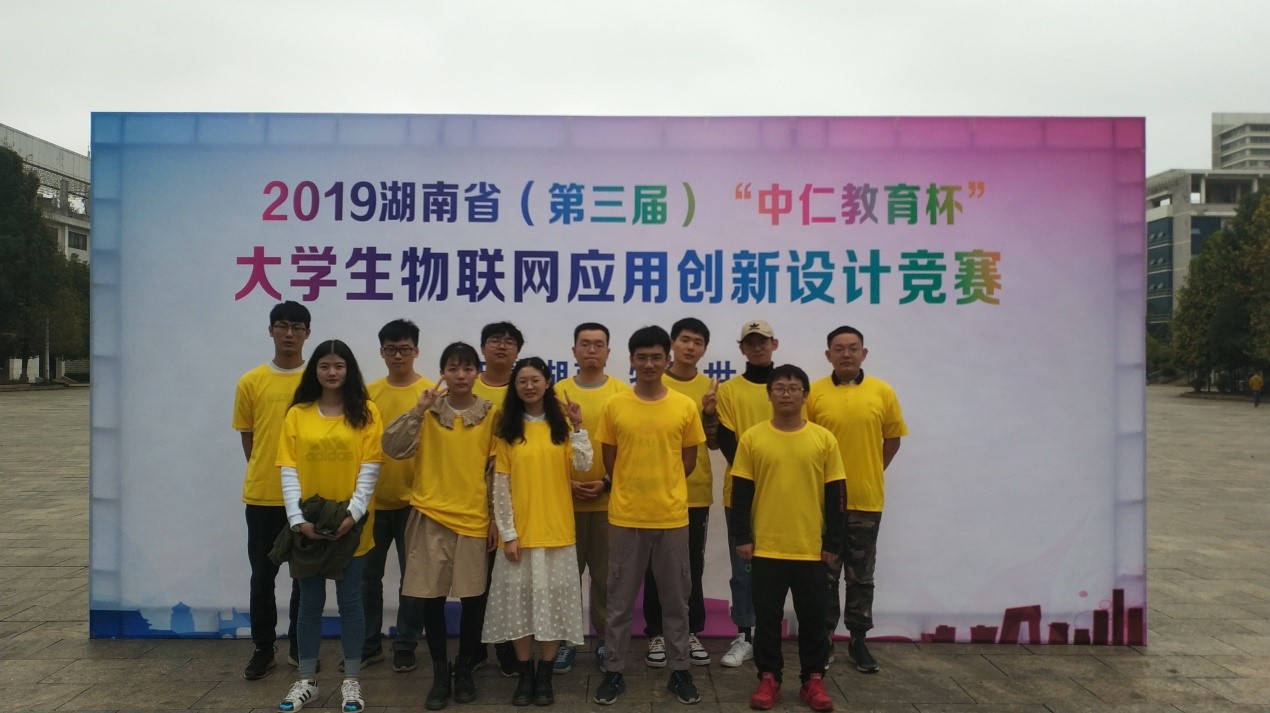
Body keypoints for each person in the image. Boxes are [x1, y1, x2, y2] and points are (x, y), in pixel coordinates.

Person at [593, 326, 706, 706]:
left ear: (666, 360)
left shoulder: (684, 406)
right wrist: (631, 489)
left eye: (656, 357)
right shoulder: (615, 405)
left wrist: (664, 488)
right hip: (625, 518)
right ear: (631, 360)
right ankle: (613, 671)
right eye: (641, 357)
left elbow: (687, 462)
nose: (649, 364)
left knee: (676, 602)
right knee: (619, 602)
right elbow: (611, 459)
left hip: (671, 518)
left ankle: (680, 670)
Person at [382, 342, 499, 710]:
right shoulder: (429, 411)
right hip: (430, 515)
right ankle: (439, 672)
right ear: (443, 373)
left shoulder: (491, 414)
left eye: (467, 368)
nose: (460, 375)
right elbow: (393, 448)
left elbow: (497, 471)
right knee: (430, 599)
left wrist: (496, 518)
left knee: (473, 599)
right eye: (453, 368)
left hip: (474, 518)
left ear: (477, 372)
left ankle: (464, 668)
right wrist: (418, 410)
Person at [274, 339, 384, 713]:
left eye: (339, 365)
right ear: (315, 371)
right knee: (309, 603)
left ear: (349, 370)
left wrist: (353, 515)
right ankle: (306, 681)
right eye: (325, 366)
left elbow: (370, 468)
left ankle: (351, 681)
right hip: (308, 527)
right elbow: (288, 470)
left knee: (351, 602)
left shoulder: (366, 412)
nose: (332, 372)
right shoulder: (297, 414)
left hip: (351, 526)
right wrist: (297, 520)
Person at [729, 365, 845, 712]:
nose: (786, 393)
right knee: (767, 620)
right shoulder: (753, 438)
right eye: (779, 387)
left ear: (805, 395)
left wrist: (833, 542)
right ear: (769, 395)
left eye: (794, 388)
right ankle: (769, 679)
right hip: (766, 547)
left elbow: (837, 494)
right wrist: (742, 536)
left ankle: (813, 679)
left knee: (814, 620)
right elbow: (740, 492)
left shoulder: (823, 439)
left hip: (811, 549)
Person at [483, 357, 592, 706]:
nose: (529, 386)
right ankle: (525, 675)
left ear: (547, 382)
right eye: (522, 381)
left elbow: (584, 465)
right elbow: (501, 487)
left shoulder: (562, 429)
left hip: (558, 534)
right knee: (520, 609)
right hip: (520, 538)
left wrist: (578, 425)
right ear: (515, 388)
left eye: (535, 380)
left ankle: (545, 676)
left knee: (553, 608)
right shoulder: (508, 432)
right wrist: (508, 534)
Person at [807, 326, 907, 674]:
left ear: (864, 353)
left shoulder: (882, 391)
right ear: (828, 355)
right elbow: (804, 442)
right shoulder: (814, 393)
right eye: (839, 348)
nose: (846, 354)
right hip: (825, 502)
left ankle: (858, 640)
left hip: (866, 499)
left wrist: (872, 470)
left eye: (853, 348)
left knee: (861, 576)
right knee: (825, 576)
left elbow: (892, 438)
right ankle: (824, 640)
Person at [234, 301, 310, 680]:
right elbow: (250, 440)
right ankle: (263, 649)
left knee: (304, 578)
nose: (289, 334)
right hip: (263, 496)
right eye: (282, 326)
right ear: (271, 331)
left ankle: (299, 645)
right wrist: (269, 471)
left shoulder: (317, 380)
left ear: (307, 333)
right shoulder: (251, 381)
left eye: (297, 327)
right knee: (262, 578)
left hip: (307, 498)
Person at [553, 323, 630, 674]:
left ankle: (603, 642)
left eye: (599, 344)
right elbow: (546, 446)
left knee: (605, 579)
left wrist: (606, 482)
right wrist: (566, 482)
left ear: (608, 352)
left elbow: (629, 449)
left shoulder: (622, 394)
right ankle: (566, 642)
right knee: (564, 578)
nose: (592, 350)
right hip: (562, 503)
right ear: (574, 351)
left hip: (608, 504)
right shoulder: (557, 393)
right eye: (585, 344)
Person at [642, 317, 718, 667]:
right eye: (685, 339)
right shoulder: (654, 380)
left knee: (690, 566)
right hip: (654, 491)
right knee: (654, 566)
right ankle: (656, 632)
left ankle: (690, 631)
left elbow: (713, 443)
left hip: (695, 491)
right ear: (672, 344)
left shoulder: (712, 388)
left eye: (698, 342)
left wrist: (709, 413)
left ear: (704, 349)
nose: (690, 346)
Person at [362, 319, 434, 673]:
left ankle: (406, 644)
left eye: (405, 349)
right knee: (366, 578)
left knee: (414, 579)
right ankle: (368, 643)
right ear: (382, 352)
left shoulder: (431, 394)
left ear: (416, 351)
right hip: (372, 502)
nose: (398, 356)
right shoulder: (368, 394)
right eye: (391, 349)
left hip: (415, 503)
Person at [715, 319, 782, 668]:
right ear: (741, 348)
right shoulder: (729, 391)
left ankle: (770, 634)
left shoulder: (787, 386)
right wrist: (755, 476)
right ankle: (745, 635)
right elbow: (727, 441)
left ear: (774, 344)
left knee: (780, 567)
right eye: (751, 342)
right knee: (744, 568)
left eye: (763, 341)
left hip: (785, 493)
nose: (758, 347)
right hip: (740, 491)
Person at [471, 321, 526, 677]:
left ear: (518, 351)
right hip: (468, 497)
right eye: (495, 340)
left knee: (506, 582)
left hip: (511, 499)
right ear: (483, 347)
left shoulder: (523, 389)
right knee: (476, 581)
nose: (502, 346)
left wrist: (498, 514)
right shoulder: (468, 385)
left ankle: (507, 648)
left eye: (509, 342)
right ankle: (475, 649)